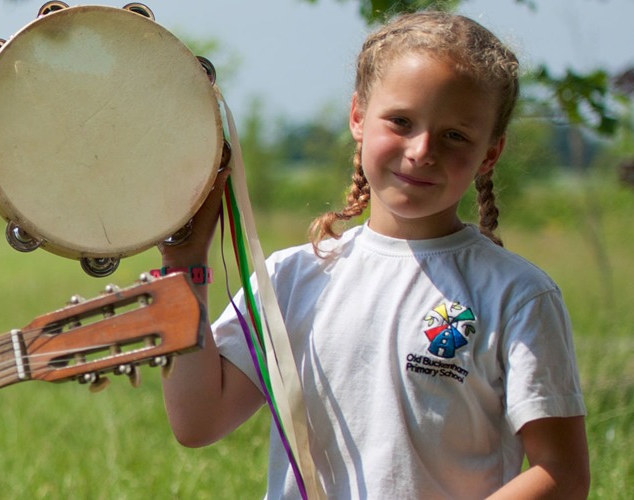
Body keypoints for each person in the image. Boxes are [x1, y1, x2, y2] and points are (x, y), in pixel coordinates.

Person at [158, 12, 590, 499]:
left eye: (456, 136)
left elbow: (562, 474)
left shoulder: (518, 295)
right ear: (359, 116)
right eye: (401, 122)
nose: (421, 150)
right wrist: (184, 271)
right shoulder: (290, 278)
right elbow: (197, 422)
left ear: (490, 153)